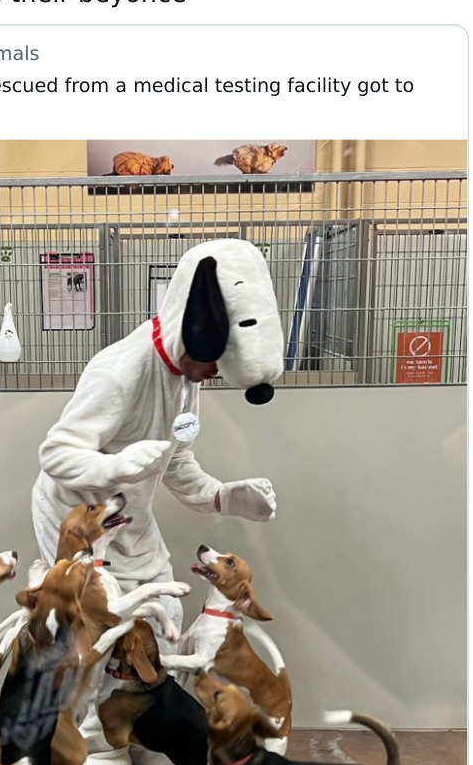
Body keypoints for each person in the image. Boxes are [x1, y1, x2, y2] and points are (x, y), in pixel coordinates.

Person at [32, 239, 284, 626]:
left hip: (130, 515)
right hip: (80, 520)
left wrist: (221, 496)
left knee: (166, 613)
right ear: (193, 332)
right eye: (216, 360)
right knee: (104, 634)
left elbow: (175, 458)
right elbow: (55, 455)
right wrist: (115, 466)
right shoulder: (118, 375)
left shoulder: (187, 377)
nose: (216, 372)